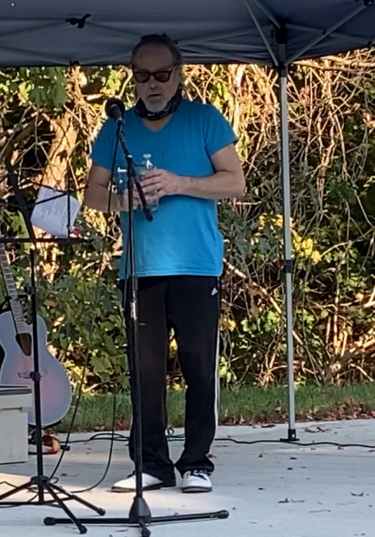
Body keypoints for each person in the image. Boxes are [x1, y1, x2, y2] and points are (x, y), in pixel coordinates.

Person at [83, 34, 246, 494]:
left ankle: (197, 462)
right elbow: (93, 196)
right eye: (142, 76)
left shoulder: (203, 119)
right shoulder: (115, 129)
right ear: (131, 77)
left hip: (196, 265)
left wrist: (178, 183)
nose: (152, 85)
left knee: (198, 366)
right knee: (146, 371)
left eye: (161, 74)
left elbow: (234, 183)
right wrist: (125, 197)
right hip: (141, 268)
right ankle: (150, 463)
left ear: (179, 73)